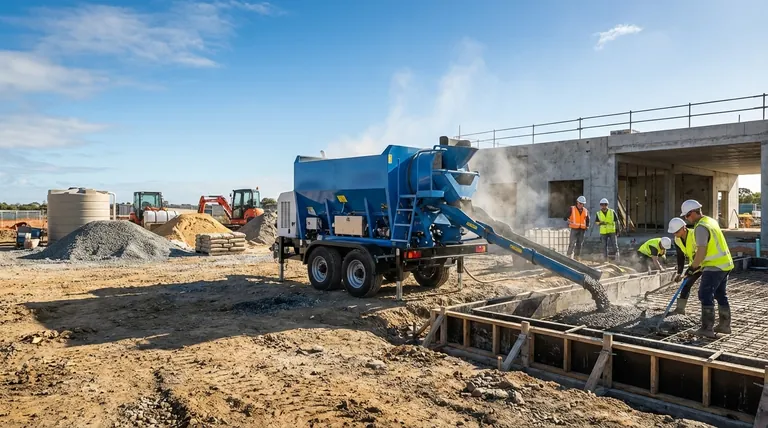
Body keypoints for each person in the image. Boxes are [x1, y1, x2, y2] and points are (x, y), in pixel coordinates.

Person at [681, 199, 734, 338]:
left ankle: (707, 328)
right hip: (725, 263)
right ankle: (724, 326)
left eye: (686, 216)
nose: (686, 219)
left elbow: (701, 251)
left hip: (714, 266)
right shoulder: (710, 221)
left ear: (692, 213)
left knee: (705, 294)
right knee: (720, 294)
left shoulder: (700, 227)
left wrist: (692, 268)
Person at [667, 217, 701, 315]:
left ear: (684, 228)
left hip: (706, 264)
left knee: (706, 289)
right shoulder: (677, 240)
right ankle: (680, 309)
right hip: (694, 265)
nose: (675, 234)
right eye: (673, 232)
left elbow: (701, 252)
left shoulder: (695, 234)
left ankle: (708, 317)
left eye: (677, 232)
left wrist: (692, 268)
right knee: (686, 285)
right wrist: (679, 273)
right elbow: (680, 256)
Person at [565, 196, 589, 260]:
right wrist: (568, 220)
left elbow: (587, 220)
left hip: (582, 229)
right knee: (572, 243)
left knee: (579, 244)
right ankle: (569, 256)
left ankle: (576, 257)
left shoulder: (585, 210)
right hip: (574, 229)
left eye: (582, 204)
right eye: (579, 203)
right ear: (577, 202)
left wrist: (587, 226)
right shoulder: (572, 208)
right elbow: (565, 217)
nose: (580, 205)